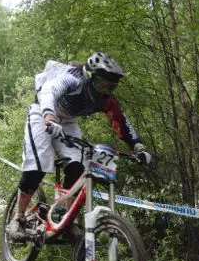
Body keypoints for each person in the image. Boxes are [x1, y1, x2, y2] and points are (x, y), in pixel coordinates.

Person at [8, 52, 153, 240]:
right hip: (42, 112)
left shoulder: (107, 99)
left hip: (68, 122)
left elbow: (121, 122)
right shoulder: (73, 79)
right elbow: (49, 90)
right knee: (39, 164)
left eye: (111, 86)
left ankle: (68, 222)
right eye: (102, 84)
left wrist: (138, 147)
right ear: (91, 78)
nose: (105, 90)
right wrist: (49, 117)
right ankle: (17, 218)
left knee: (77, 168)